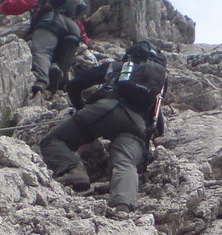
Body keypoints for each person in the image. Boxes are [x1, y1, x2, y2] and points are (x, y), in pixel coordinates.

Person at [40, 41, 167, 213]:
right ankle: (122, 207)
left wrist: (82, 110)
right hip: (136, 125)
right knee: (125, 162)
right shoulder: (156, 87)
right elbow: (159, 127)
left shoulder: (115, 67)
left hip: (105, 109)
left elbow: (74, 85)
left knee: (53, 140)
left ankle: (73, 170)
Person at [0, 0, 89, 98]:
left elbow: (25, 2)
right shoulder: (73, 1)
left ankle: (41, 82)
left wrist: (3, 7)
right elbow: (81, 30)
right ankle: (58, 74)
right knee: (63, 59)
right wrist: (87, 41)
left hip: (52, 21)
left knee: (42, 51)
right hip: (74, 29)